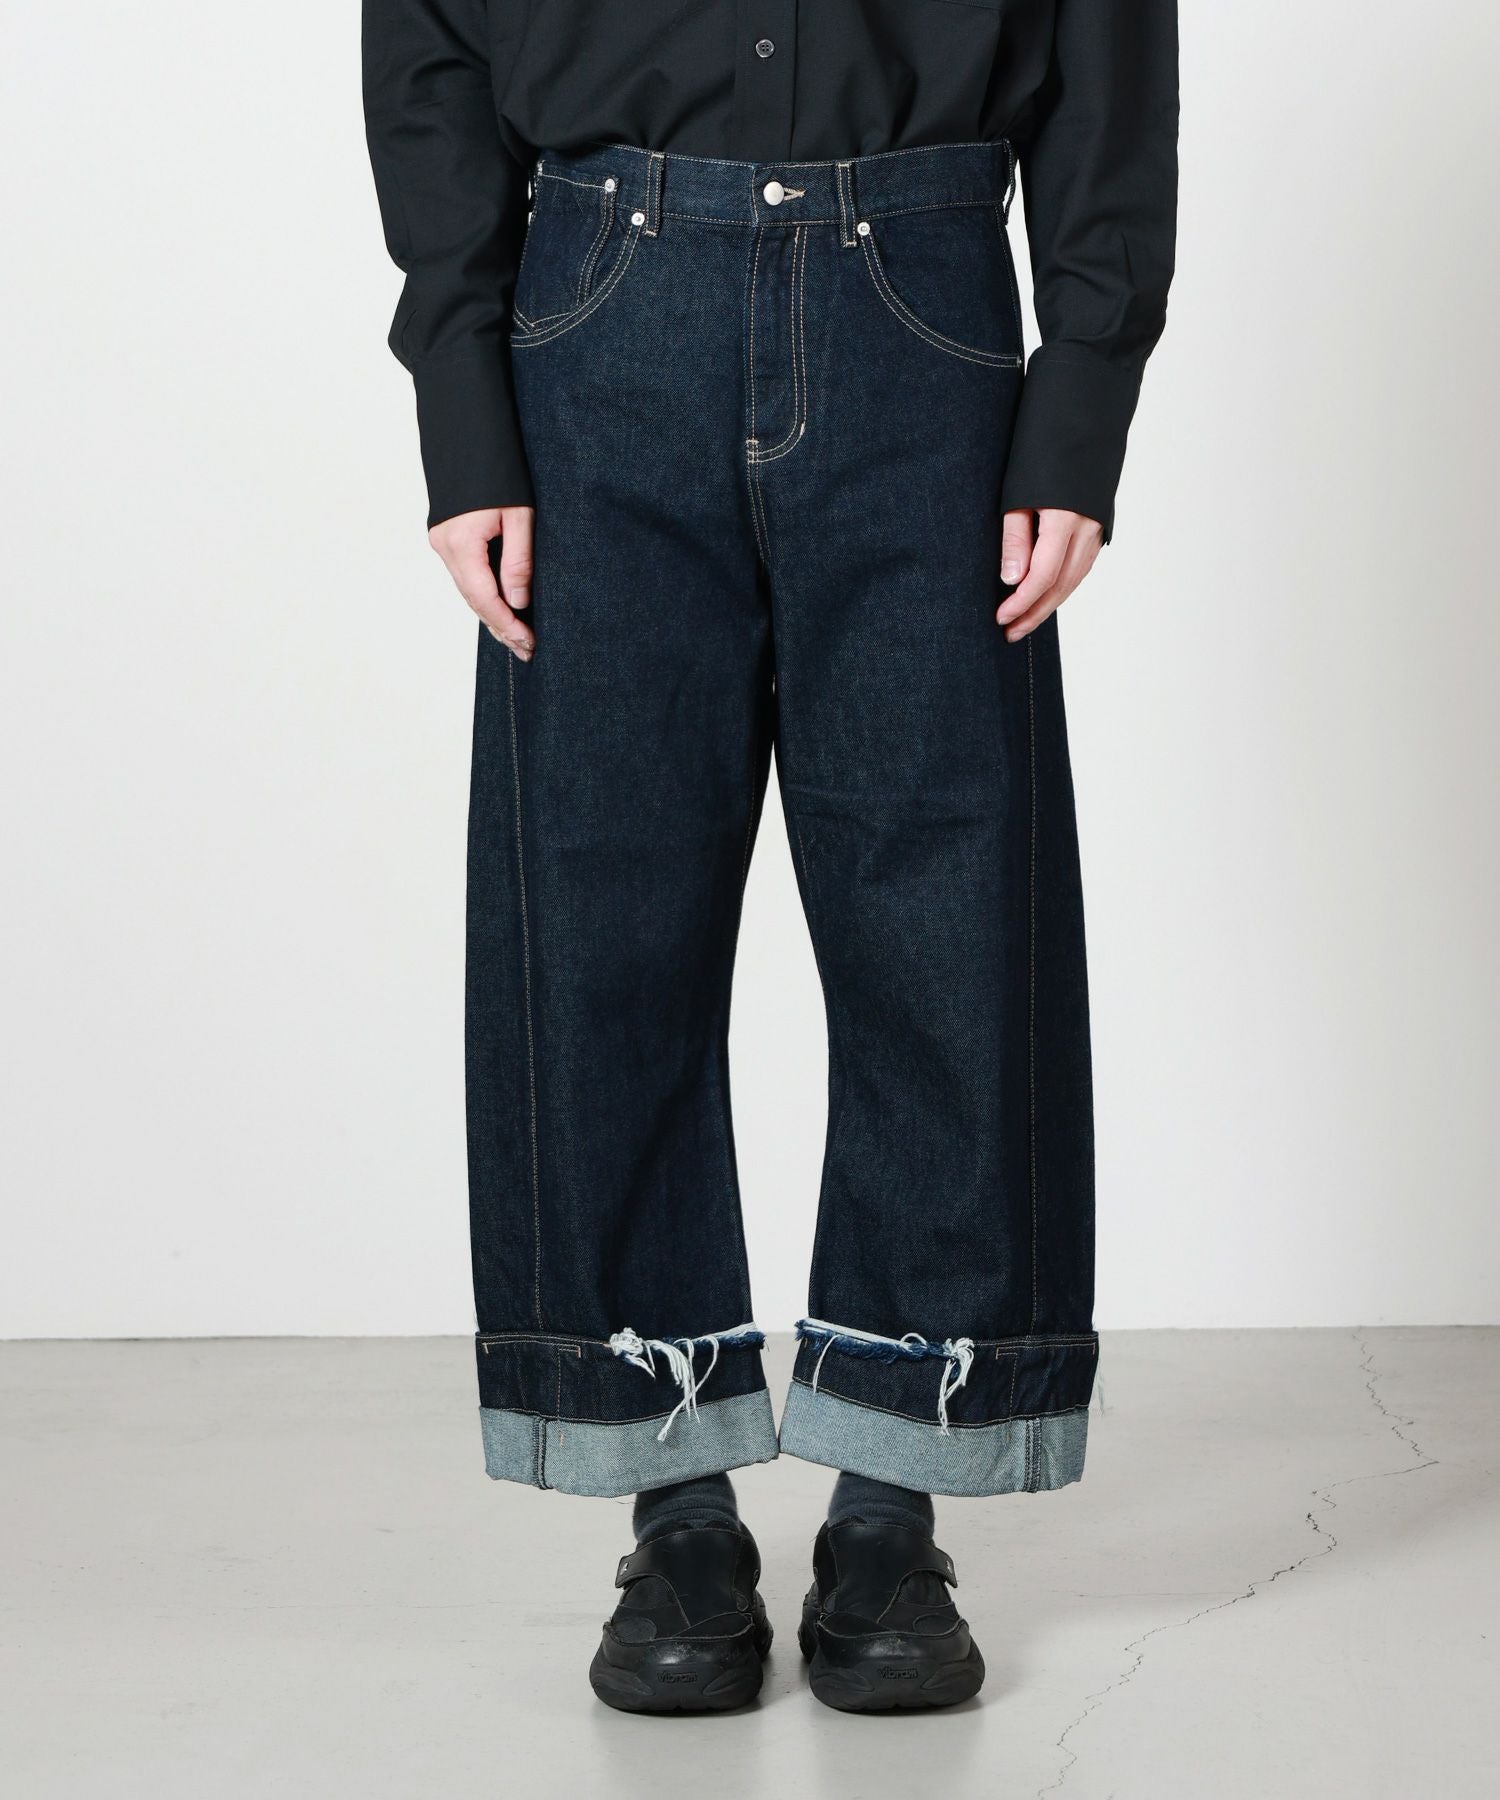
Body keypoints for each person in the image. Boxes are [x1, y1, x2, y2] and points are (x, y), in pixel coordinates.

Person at [363, 0, 1177, 1714]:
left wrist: (1085, 391)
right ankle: (671, 1499)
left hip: (926, 300)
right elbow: (429, 36)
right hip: (595, 304)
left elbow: (1107, 40)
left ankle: (896, 1493)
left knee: (947, 912)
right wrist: (462, 395)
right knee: (603, 905)